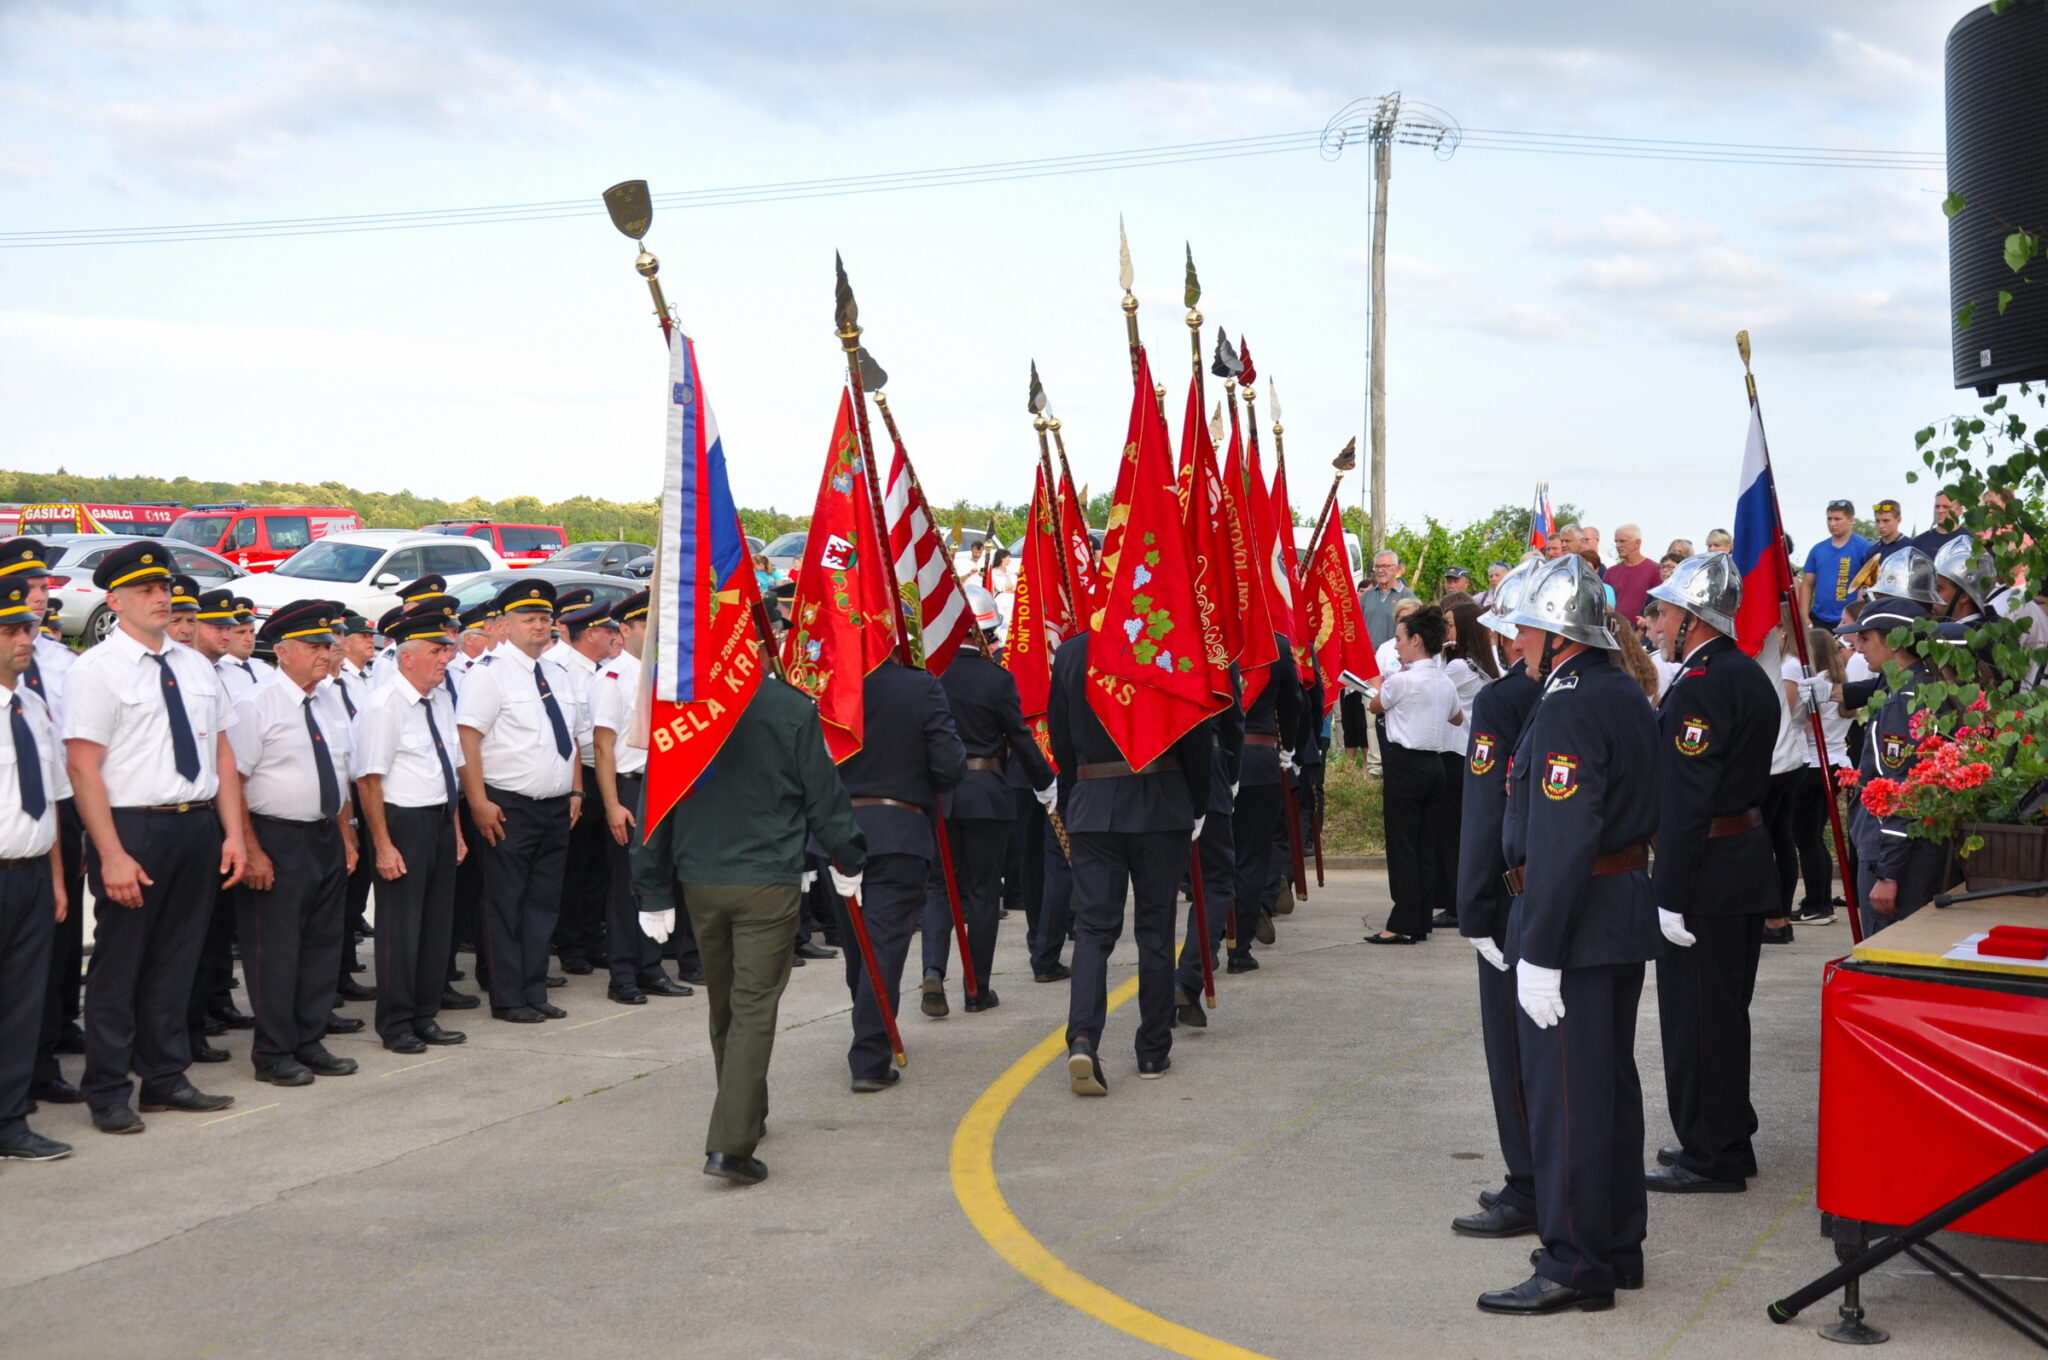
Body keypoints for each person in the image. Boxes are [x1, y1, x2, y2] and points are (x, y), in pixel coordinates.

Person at [1473, 553, 1661, 1315]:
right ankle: (1614, 1245)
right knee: (1606, 1087)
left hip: (1574, 922)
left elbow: (1561, 835)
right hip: (1612, 911)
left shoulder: (1570, 705)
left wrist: (1540, 952)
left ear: (1559, 633)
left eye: (1525, 627)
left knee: (1567, 1100)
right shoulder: (1618, 691)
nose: (1514, 640)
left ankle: (1576, 1262)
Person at [631, 660, 867, 1186]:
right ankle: (731, 1145)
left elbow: (657, 800)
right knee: (753, 1005)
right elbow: (823, 795)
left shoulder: (683, 706)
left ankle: (747, 1112)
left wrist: (652, 884)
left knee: (726, 1002)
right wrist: (849, 855)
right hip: (765, 876)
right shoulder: (788, 707)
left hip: (701, 876)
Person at [63, 541, 248, 1133]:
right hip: (135, 826)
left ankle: (165, 1078)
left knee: (177, 958)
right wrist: (111, 853)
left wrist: (233, 834)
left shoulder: (194, 665)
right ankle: (107, 1089)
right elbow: (83, 767)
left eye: (164, 587)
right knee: (121, 964)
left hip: (196, 822)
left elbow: (222, 753)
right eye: (145, 590)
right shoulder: (96, 669)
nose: (161, 597)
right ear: (114, 601)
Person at [1642, 551, 1777, 1193]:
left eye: (1666, 611)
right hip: (1738, 863)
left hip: (1706, 871)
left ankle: (1710, 1154)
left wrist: (1667, 890)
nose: (1658, 622)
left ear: (1692, 619)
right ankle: (1726, 1136)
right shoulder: (1743, 672)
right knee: (1722, 1013)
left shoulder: (1701, 684)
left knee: (1697, 1020)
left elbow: (1687, 799)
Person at [1049, 627, 1211, 1093]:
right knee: (1155, 931)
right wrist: (1198, 801)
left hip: (1094, 800)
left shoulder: (1073, 652)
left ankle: (1083, 1037)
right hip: (1160, 800)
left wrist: (1079, 790)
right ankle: (1152, 1050)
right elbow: (1195, 733)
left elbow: (1060, 737)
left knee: (1093, 931)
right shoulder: (1169, 637)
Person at [228, 600, 362, 1087]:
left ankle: (309, 1039)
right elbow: (234, 782)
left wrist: (346, 835)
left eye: (328, 645)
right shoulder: (256, 703)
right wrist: (251, 849)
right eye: (313, 646)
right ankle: (273, 1052)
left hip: (325, 833)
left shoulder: (327, 699)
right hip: (276, 836)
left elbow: (338, 773)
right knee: (276, 950)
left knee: (322, 945)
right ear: (283, 651)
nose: (325, 654)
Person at [1449, 562, 1541, 1239]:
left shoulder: (1503, 700)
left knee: (1512, 1050)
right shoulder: (1608, 689)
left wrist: (1473, 905)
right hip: (1577, 888)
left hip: (1513, 895)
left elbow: (1484, 810)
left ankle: (1528, 1182)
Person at [832, 651, 965, 1091]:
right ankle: (869, 1056)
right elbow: (948, 766)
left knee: (860, 947)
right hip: (898, 829)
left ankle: (871, 1027)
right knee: (882, 946)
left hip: (837, 831)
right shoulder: (919, 686)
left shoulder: (829, 682)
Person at [920, 586, 1053, 1016]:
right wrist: (1045, 782)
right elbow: (1020, 738)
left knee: (940, 888)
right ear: (988, 632)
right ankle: (976, 988)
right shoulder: (997, 679)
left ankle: (933, 970)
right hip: (986, 793)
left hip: (940, 795)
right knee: (982, 893)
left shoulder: (929, 677)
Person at [456, 577, 585, 1024]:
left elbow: (571, 738)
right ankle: (508, 996)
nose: (539, 626)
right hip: (508, 804)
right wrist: (478, 801)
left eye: (545, 618)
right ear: (505, 624)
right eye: (528, 619)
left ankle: (534, 988)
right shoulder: (489, 674)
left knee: (543, 904)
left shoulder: (558, 674)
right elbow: (467, 741)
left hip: (555, 805)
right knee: (505, 904)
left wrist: (575, 789)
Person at [354, 605, 472, 1053]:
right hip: (402, 822)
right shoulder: (384, 705)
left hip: (439, 818)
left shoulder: (440, 699)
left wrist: (455, 830)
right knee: (401, 930)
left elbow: (449, 770)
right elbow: (369, 781)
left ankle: (425, 1014)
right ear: (407, 657)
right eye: (436, 651)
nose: (446, 657)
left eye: (447, 649)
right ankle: (397, 1022)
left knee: (436, 924)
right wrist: (382, 845)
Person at [0, 575, 75, 1162]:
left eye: (27, 628)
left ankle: (10, 1119)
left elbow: (48, 798)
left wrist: (54, 879)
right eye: (10, 631)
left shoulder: (33, 707)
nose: (25, 638)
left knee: (23, 1003)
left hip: (30, 874)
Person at [588, 590, 692, 1006]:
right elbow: (602, 747)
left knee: (658, 879)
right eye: (646, 624)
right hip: (631, 786)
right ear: (625, 630)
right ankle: (623, 974)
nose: (654, 632)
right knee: (627, 883)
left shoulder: (666, 674)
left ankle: (651, 967)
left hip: (666, 784)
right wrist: (613, 804)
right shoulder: (614, 678)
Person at [1833, 600, 1948, 937]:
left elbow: (1900, 789)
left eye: (1866, 638)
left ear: (1895, 642)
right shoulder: (1915, 686)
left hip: (1893, 851)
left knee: (1886, 946)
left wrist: (1888, 872)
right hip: (1907, 848)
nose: (1858, 648)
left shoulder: (1903, 700)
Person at [1365, 605, 1461, 944]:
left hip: (1405, 764)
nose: (1397, 646)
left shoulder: (1401, 681)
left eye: (1400, 639)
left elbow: (1375, 704)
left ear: (1416, 640)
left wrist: (1385, 688)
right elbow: (1457, 718)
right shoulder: (1444, 681)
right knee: (1424, 845)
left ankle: (1403, 922)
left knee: (1403, 845)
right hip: (1435, 764)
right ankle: (1420, 919)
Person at [1228, 634, 1302, 968]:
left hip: (1214, 757)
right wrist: (1289, 746)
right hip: (1257, 758)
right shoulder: (1277, 644)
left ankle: (1209, 941)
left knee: (1217, 860)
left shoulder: (1206, 632)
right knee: (1251, 859)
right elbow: (1292, 704)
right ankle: (1238, 948)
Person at [1787, 626, 1849, 927]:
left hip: (1814, 764)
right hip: (1837, 761)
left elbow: (1807, 724)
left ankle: (1816, 904)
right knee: (1815, 837)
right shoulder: (1839, 681)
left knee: (1806, 838)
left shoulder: (1816, 685)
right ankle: (1821, 901)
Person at [1355, 552, 1417, 770]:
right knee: (1371, 714)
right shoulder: (1367, 597)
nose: (1380, 570)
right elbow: (1357, 627)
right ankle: (1375, 764)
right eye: (1377, 566)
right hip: (1371, 665)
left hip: (1398, 664)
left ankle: (1395, 761)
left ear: (1396, 569)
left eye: (1386, 566)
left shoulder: (1408, 596)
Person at [1799, 499, 1873, 628]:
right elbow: (1807, 584)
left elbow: (1867, 587)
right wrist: (1804, 616)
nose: (1832, 523)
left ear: (1851, 520)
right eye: (1829, 519)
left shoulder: (1864, 548)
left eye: (1837, 519)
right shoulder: (1818, 549)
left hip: (1849, 619)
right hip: (1818, 618)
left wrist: (1856, 617)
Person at [1603, 526, 1661, 623]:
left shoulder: (1655, 570)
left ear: (1637, 543)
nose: (1617, 545)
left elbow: (1656, 606)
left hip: (1644, 630)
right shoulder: (1611, 572)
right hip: (1613, 629)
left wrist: (1643, 629)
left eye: (1622, 541)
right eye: (1616, 541)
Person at [1910, 491, 1962, 556]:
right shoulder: (1919, 542)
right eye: (1937, 506)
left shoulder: (1969, 540)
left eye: (1946, 507)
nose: (1940, 511)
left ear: (1959, 511)